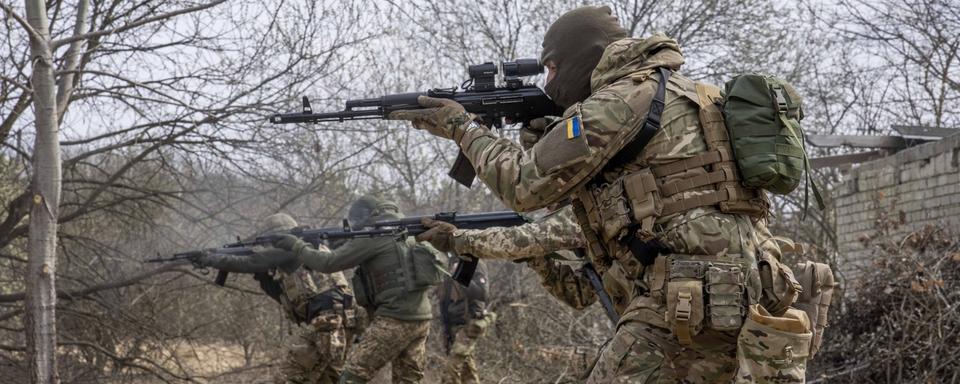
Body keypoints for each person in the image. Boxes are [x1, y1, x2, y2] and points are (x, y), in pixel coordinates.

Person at [389, 5, 810, 383]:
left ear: (584, 56)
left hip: (686, 303)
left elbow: (524, 187)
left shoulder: (621, 100)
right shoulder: (697, 95)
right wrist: (541, 131)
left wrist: (461, 127)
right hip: (745, 297)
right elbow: (588, 192)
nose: (549, 81)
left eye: (552, 68)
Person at [269, 196, 440, 384]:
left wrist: (296, 245)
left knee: (351, 377)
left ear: (366, 216)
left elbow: (328, 263)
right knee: (408, 380)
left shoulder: (373, 236)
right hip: (422, 319)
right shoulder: (406, 234)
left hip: (394, 320)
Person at [196, 213, 359, 384]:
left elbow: (252, 262)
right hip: (338, 320)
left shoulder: (292, 248)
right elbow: (286, 296)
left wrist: (210, 259)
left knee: (291, 377)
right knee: (325, 378)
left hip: (328, 320)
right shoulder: (309, 250)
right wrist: (263, 277)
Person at [438, 256, 495, 384]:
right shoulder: (452, 260)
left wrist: (460, 274)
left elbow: (482, 293)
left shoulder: (474, 262)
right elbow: (446, 299)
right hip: (452, 325)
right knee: (467, 374)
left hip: (468, 325)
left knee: (450, 373)